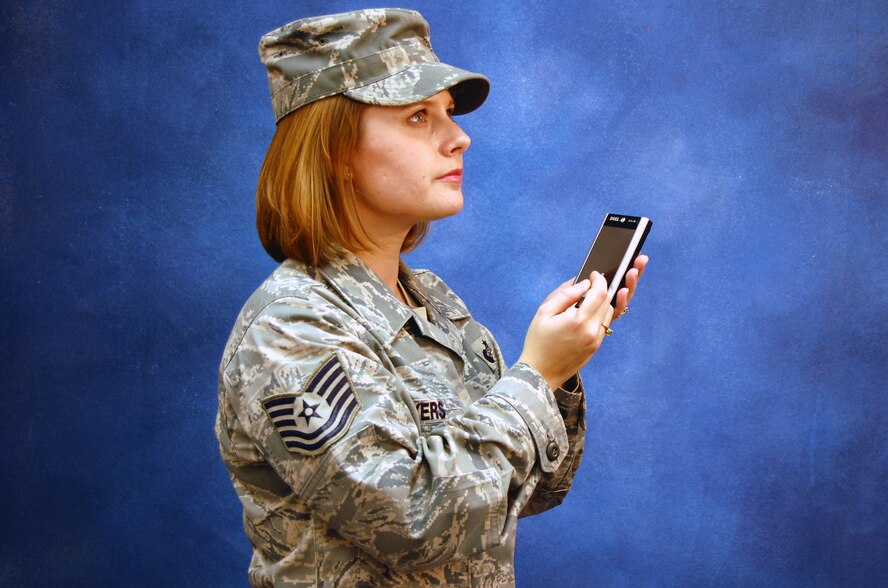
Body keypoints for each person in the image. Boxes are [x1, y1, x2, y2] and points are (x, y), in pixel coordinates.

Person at [216, 8, 648, 587]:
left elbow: (532, 490)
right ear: (336, 151)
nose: (459, 136)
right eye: (418, 116)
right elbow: (411, 522)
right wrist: (537, 375)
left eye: (447, 113)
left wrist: (561, 368)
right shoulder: (291, 330)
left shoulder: (433, 302)